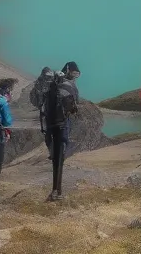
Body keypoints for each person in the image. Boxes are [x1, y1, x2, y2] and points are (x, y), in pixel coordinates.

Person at [42, 61, 81, 202]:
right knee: (61, 157)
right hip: (63, 124)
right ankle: (57, 191)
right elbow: (75, 105)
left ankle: (54, 190)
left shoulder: (52, 84)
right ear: (71, 72)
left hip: (50, 124)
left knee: (55, 157)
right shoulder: (70, 86)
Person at [30, 67, 56, 151]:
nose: (49, 79)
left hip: (46, 110)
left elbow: (34, 98)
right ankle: (53, 150)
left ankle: (52, 151)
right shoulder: (40, 83)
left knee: (47, 132)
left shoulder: (39, 83)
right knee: (48, 131)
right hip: (48, 110)